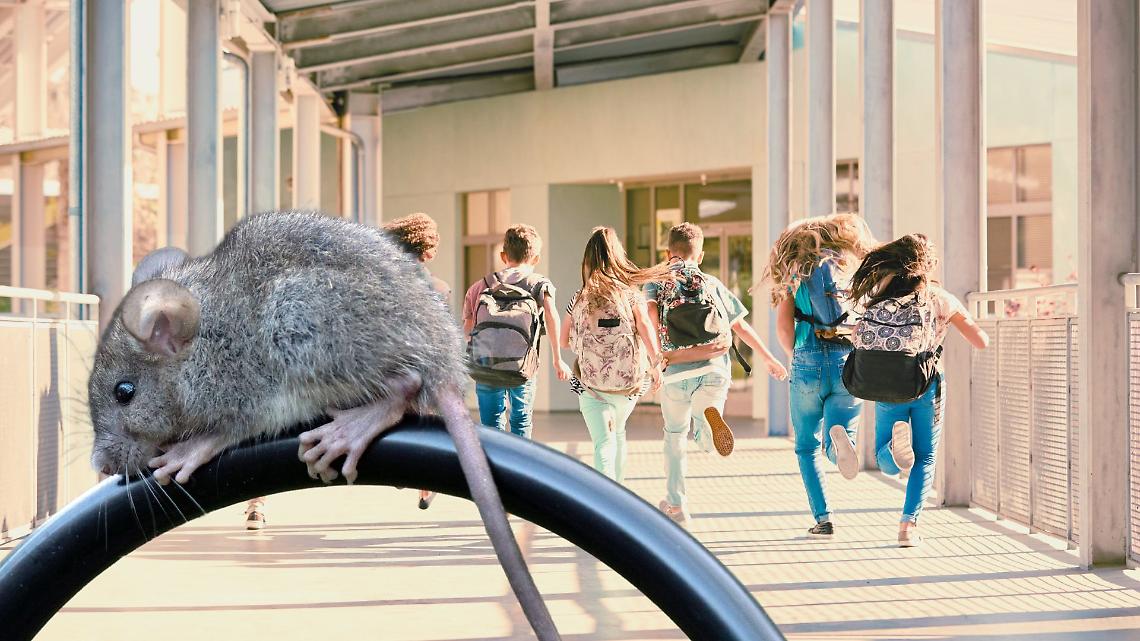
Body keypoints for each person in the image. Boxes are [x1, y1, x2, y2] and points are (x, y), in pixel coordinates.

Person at [846, 234, 989, 547]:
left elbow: (857, 335)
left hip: (886, 384)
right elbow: (980, 341)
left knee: (884, 453)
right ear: (929, 266)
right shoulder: (939, 298)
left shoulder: (882, 295)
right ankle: (907, 527)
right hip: (926, 384)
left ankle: (893, 454)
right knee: (924, 458)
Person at [647, 222, 788, 526]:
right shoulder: (709, 282)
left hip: (675, 372)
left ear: (668, 252)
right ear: (699, 255)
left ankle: (676, 504)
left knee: (674, 435)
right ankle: (708, 430)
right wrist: (768, 357)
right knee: (706, 427)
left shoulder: (656, 282)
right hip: (714, 369)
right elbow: (740, 327)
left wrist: (655, 359)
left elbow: (647, 319)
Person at [762, 213, 876, 538]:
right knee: (838, 432)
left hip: (808, 358)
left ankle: (823, 518)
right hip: (846, 360)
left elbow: (785, 327)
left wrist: (794, 357)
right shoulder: (848, 267)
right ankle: (840, 440)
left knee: (805, 446)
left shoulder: (794, 271)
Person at [560, 227, 670, 482]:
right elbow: (643, 326)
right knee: (618, 433)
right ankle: (620, 495)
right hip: (628, 385)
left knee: (603, 444)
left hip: (590, 386)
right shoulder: (631, 294)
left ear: (588, 258)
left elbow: (564, 341)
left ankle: (605, 501)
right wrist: (655, 363)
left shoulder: (579, 298)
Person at [463, 224, 571, 439]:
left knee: (491, 424)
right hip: (523, 366)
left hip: (486, 365)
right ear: (536, 258)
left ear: (503, 256)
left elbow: (467, 330)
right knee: (521, 421)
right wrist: (558, 359)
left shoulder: (480, 286)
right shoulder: (539, 284)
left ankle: (494, 470)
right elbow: (551, 316)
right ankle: (520, 467)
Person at [385, 212, 451, 510]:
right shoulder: (438, 287)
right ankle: (423, 484)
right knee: (426, 426)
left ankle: (402, 471)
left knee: (397, 421)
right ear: (428, 249)